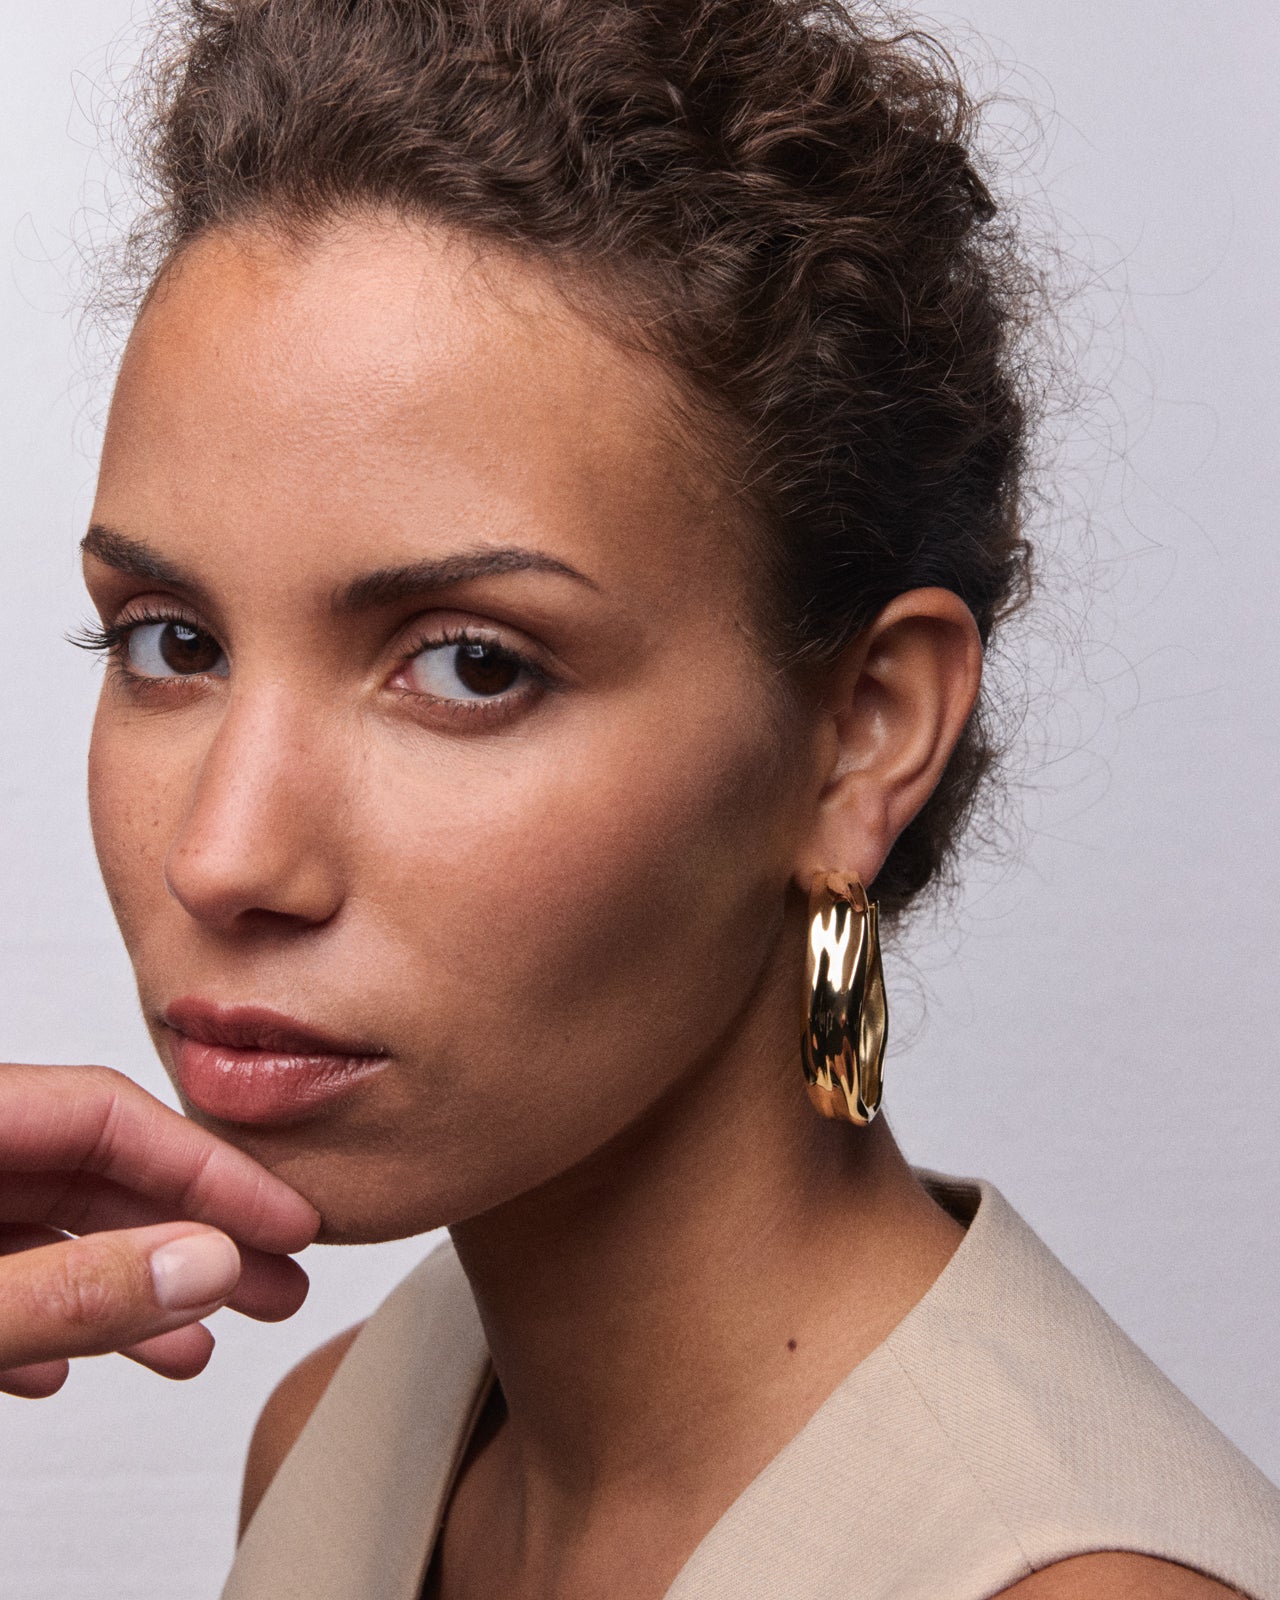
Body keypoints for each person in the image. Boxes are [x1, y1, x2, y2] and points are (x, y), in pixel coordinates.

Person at [4, 0, 1279, 1595]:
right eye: (170, 642)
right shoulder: (331, 1444)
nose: (226, 855)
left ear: (864, 735)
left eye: (470, 666)